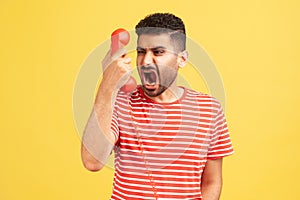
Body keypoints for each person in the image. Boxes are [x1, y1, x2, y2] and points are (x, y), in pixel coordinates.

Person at [81, 13, 234, 200]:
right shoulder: (120, 101)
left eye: (158, 52)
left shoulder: (210, 110)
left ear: (182, 59)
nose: (145, 61)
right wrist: (107, 84)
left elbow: (212, 181)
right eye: (141, 51)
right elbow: (91, 162)